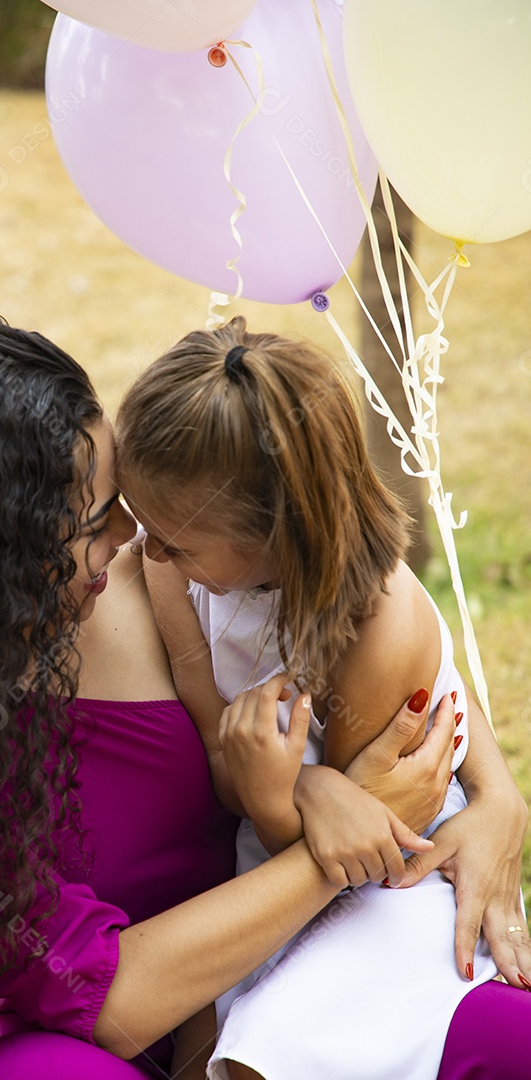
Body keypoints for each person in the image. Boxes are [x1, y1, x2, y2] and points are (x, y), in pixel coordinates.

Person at [0, 309, 526, 1080]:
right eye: (95, 520)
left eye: (123, 493)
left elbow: (354, 599)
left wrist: (493, 794)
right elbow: (105, 1003)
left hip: (331, 958)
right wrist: (323, 831)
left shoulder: (166, 569)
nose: (134, 531)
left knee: (509, 1034)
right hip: (150, 1027)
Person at [116, 316, 531, 1079]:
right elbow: (219, 743)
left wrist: (280, 802)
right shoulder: (170, 559)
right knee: (201, 1038)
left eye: (174, 539)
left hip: (402, 870)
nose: (147, 552)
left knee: (266, 1047)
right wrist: (295, 788)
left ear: (278, 528)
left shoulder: (377, 630)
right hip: (280, 847)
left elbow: (365, 848)